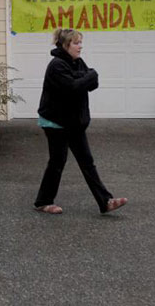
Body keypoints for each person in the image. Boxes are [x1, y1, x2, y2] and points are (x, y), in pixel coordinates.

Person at [34, 28, 128, 214]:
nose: (80, 46)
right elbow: (74, 87)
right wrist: (89, 75)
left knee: (87, 162)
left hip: (74, 122)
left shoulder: (77, 62)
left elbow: (92, 84)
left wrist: (86, 77)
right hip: (55, 123)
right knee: (57, 162)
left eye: (80, 42)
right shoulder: (57, 65)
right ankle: (43, 202)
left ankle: (106, 202)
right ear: (65, 45)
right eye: (76, 43)